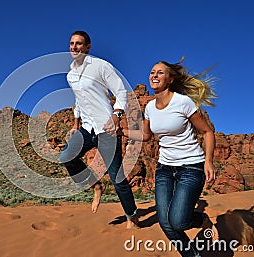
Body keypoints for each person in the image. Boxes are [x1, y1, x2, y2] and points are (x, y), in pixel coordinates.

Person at [113, 58, 218, 256]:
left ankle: (202, 220)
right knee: (166, 223)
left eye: (160, 72)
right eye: (152, 72)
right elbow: (146, 136)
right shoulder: (150, 108)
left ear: (170, 80)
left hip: (191, 167)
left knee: (178, 221)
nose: (154, 75)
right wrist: (123, 132)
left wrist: (209, 161)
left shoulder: (183, 102)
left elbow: (207, 132)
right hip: (164, 169)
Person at [59, 30, 139, 229]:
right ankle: (96, 185)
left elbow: (121, 92)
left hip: (107, 129)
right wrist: (75, 123)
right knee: (66, 157)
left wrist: (116, 116)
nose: (74, 47)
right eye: (71, 43)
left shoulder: (101, 66)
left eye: (79, 43)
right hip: (87, 129)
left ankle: (132, 216)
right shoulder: (71, 75)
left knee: (117, 178)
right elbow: (79, 100)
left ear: (87, 47)